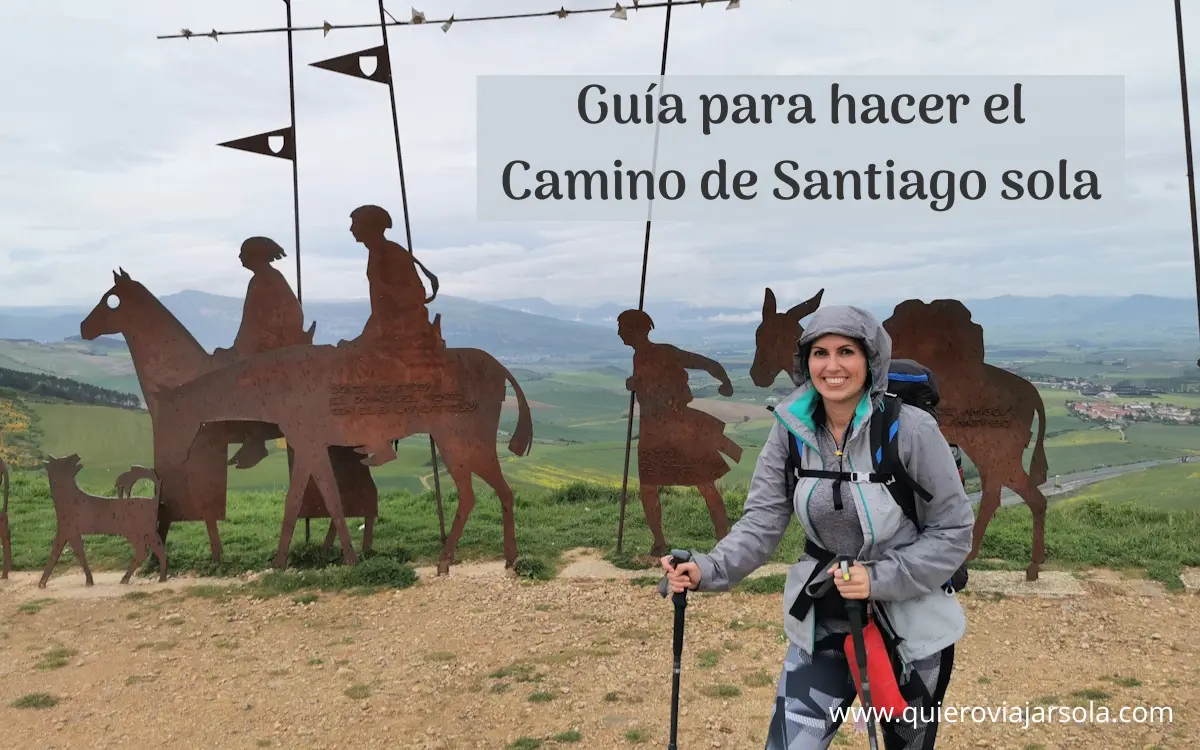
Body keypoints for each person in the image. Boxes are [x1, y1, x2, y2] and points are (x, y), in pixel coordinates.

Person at [660, 305, 973, 749]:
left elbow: (954, 530)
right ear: (805, 363)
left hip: (911, 628)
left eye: (846, 351)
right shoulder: (791, 431)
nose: (832, 365)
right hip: (824, 618)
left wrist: (878, 578)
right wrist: (710, 568)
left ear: (870, 361)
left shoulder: (912, 430)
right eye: (819, 352)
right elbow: (764, 519)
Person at [213, 236, 309, 469]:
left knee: (243, 378)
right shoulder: (260, 280)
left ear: (255, 255)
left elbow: (288, 317)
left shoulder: (269, 280)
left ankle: (255, 439)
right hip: (262, 347)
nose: (239, 257)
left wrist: (259, 345)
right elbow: (250, 323)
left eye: (243, 252)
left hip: (275, 350)